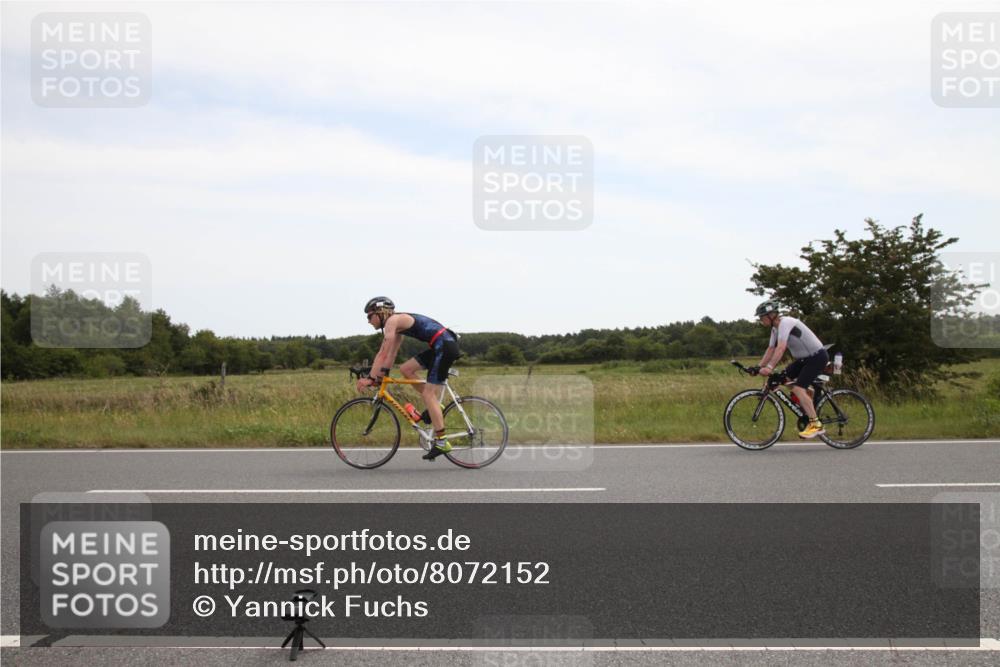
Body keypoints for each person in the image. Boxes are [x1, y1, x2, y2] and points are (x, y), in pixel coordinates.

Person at [356, 297, 461, 460]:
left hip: (444, 346)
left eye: (369, 316)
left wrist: (370, 378)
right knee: (406, 369)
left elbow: (382, 353)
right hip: (441, 344)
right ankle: (435, 406)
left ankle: (442, 442)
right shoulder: (396, 326)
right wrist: (380, 377)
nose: (368, 321)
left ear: (380, 313)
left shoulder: (392, 321)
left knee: (428, 394)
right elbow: (391, 354)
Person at [753, 300, 828, 439]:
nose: (760, 320)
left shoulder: (786, 323)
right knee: (782, 379)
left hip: (816, 357)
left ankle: (816, 425)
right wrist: (758, 367)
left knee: (798, 389)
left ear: (771, 315)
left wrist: (769, 367)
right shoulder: (775, 328)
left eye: (762, 317)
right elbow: (771, 348)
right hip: (803, 360)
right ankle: (807, 401)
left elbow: (781, 347)